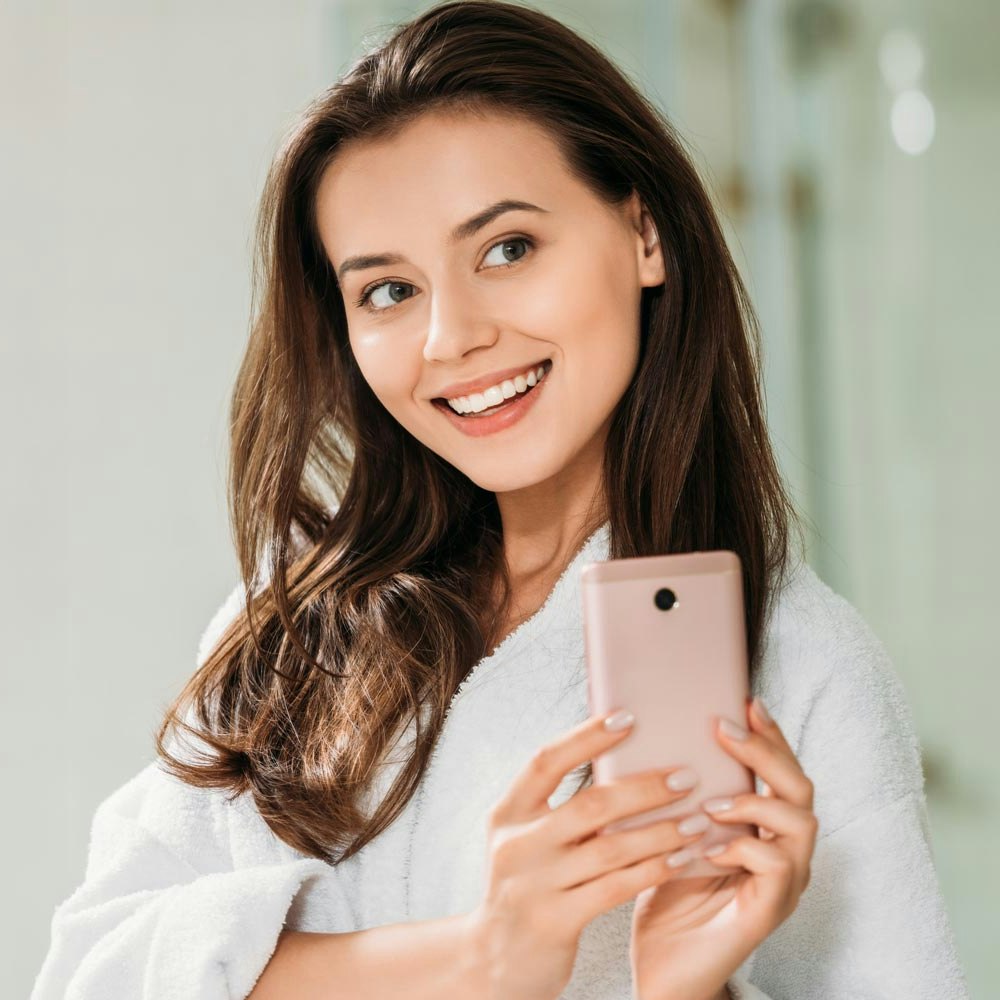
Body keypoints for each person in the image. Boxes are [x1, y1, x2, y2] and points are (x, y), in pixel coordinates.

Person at [31, 2, 969, 999]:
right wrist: (482, 956)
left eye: (508, 248)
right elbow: (93, 969)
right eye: (387, 291)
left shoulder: (796, 670)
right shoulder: (292, 623)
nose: (449, 338)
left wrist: (683, 990)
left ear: (643, 232)